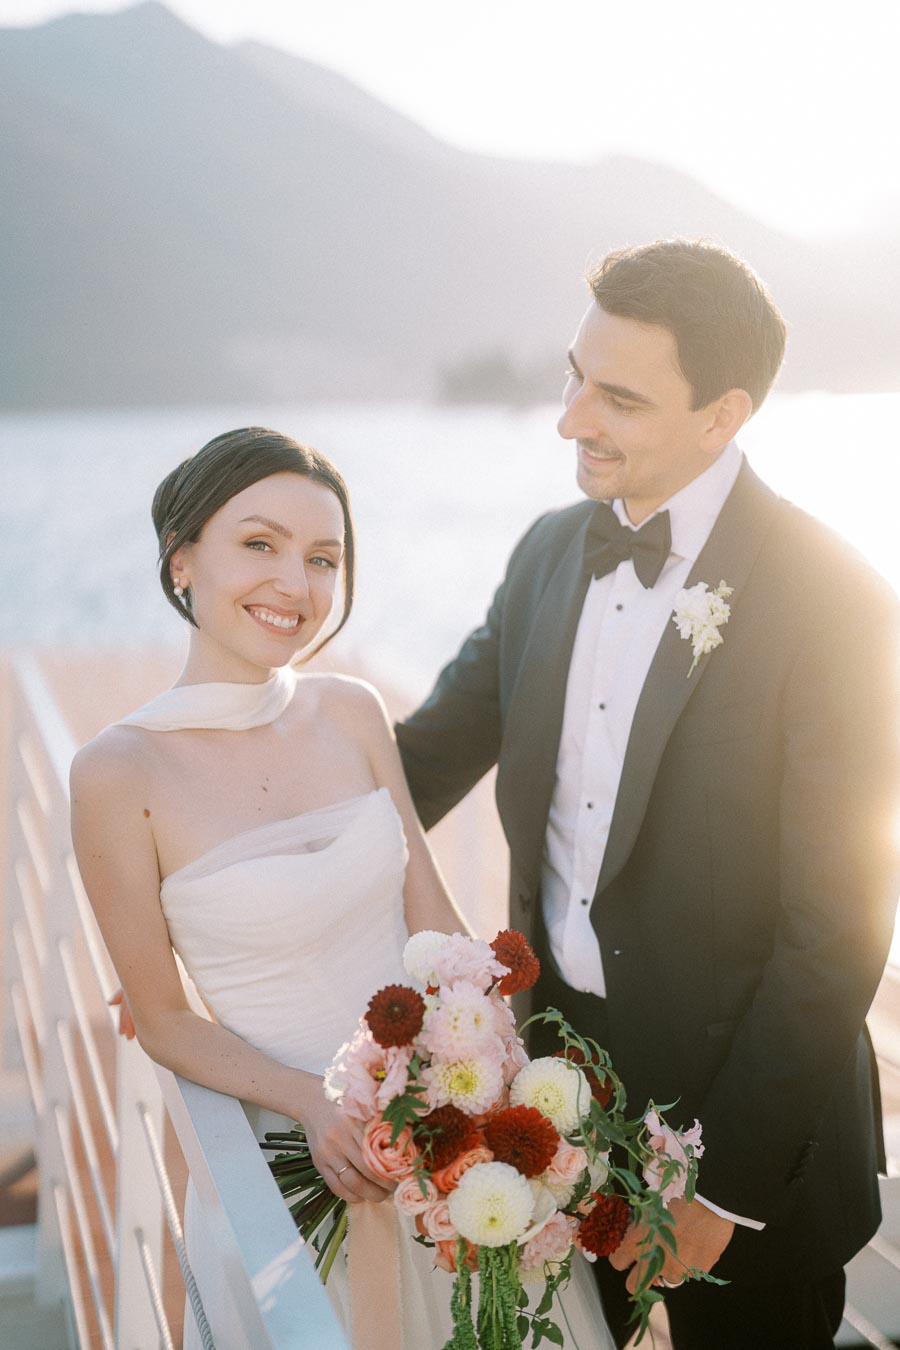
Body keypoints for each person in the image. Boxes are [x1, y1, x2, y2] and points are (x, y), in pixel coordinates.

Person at [396, 239, 900, 1349]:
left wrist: (720, 1193)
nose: (573, 419)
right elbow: (420, 761)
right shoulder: (542, 555)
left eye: (618, 397)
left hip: (757, 1133)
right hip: (559, 1106)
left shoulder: (839, 602)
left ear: (723, 416)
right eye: (576, 376)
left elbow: (840, 930)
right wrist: (194, 878)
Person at [70, 427, 615, 1350]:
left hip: (456, 1142)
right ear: (181, 559)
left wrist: (510, 1091)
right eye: (259, 544)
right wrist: (315, 1104)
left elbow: (434, 919)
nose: (296, 583)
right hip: (301, 1163)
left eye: (323, 558)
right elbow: (160, 1017)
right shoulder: (116, 774)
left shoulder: (353, 710)